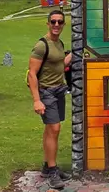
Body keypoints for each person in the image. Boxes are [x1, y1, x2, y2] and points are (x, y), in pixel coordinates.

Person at [28, 10, 72, 190]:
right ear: (48, 23)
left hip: (59, 90)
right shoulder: (41, 45)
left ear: (63, 24)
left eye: (59, 22)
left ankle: (47, 166)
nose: (56, 25)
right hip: (46, 93)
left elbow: (60, 65)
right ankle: (53, 170)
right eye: (53, 22)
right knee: (55, 128)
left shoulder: (59, 43)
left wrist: (75, 54)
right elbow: (32, 73)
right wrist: (37, 100)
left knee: (51, 129)